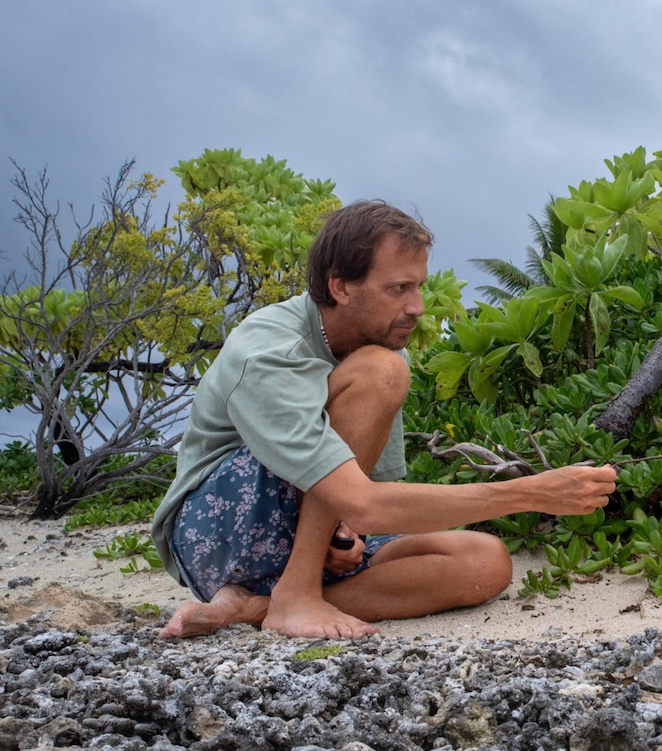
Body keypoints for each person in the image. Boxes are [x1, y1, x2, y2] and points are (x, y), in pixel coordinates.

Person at [150, 200, 616, 640]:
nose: (417, 306)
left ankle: (256, 606)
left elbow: (358, 509)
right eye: (399, 289)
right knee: (382, 371)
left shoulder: (375, 347)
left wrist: (344, 533)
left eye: (418, 286)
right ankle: (294, 594)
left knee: (485, 563)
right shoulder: (274, 350)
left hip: (298, 535)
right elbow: (363, 502)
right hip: (216, 532)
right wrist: (531, 492)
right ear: (341, 286)